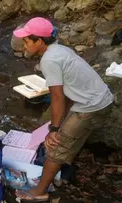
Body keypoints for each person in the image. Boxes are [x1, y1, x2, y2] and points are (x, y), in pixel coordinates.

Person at [13, 17, 114, 201]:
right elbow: (67, 91)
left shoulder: (49, 60)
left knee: (56, 146)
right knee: (64, 134)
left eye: (27, 41)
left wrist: (55, 129)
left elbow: (57, 96)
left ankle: (40, 192)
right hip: (101, 98)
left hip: (91, 106)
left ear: (39, 41)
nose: (24, 46)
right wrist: (59, 120)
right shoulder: (59, 49)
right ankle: (60, 174)